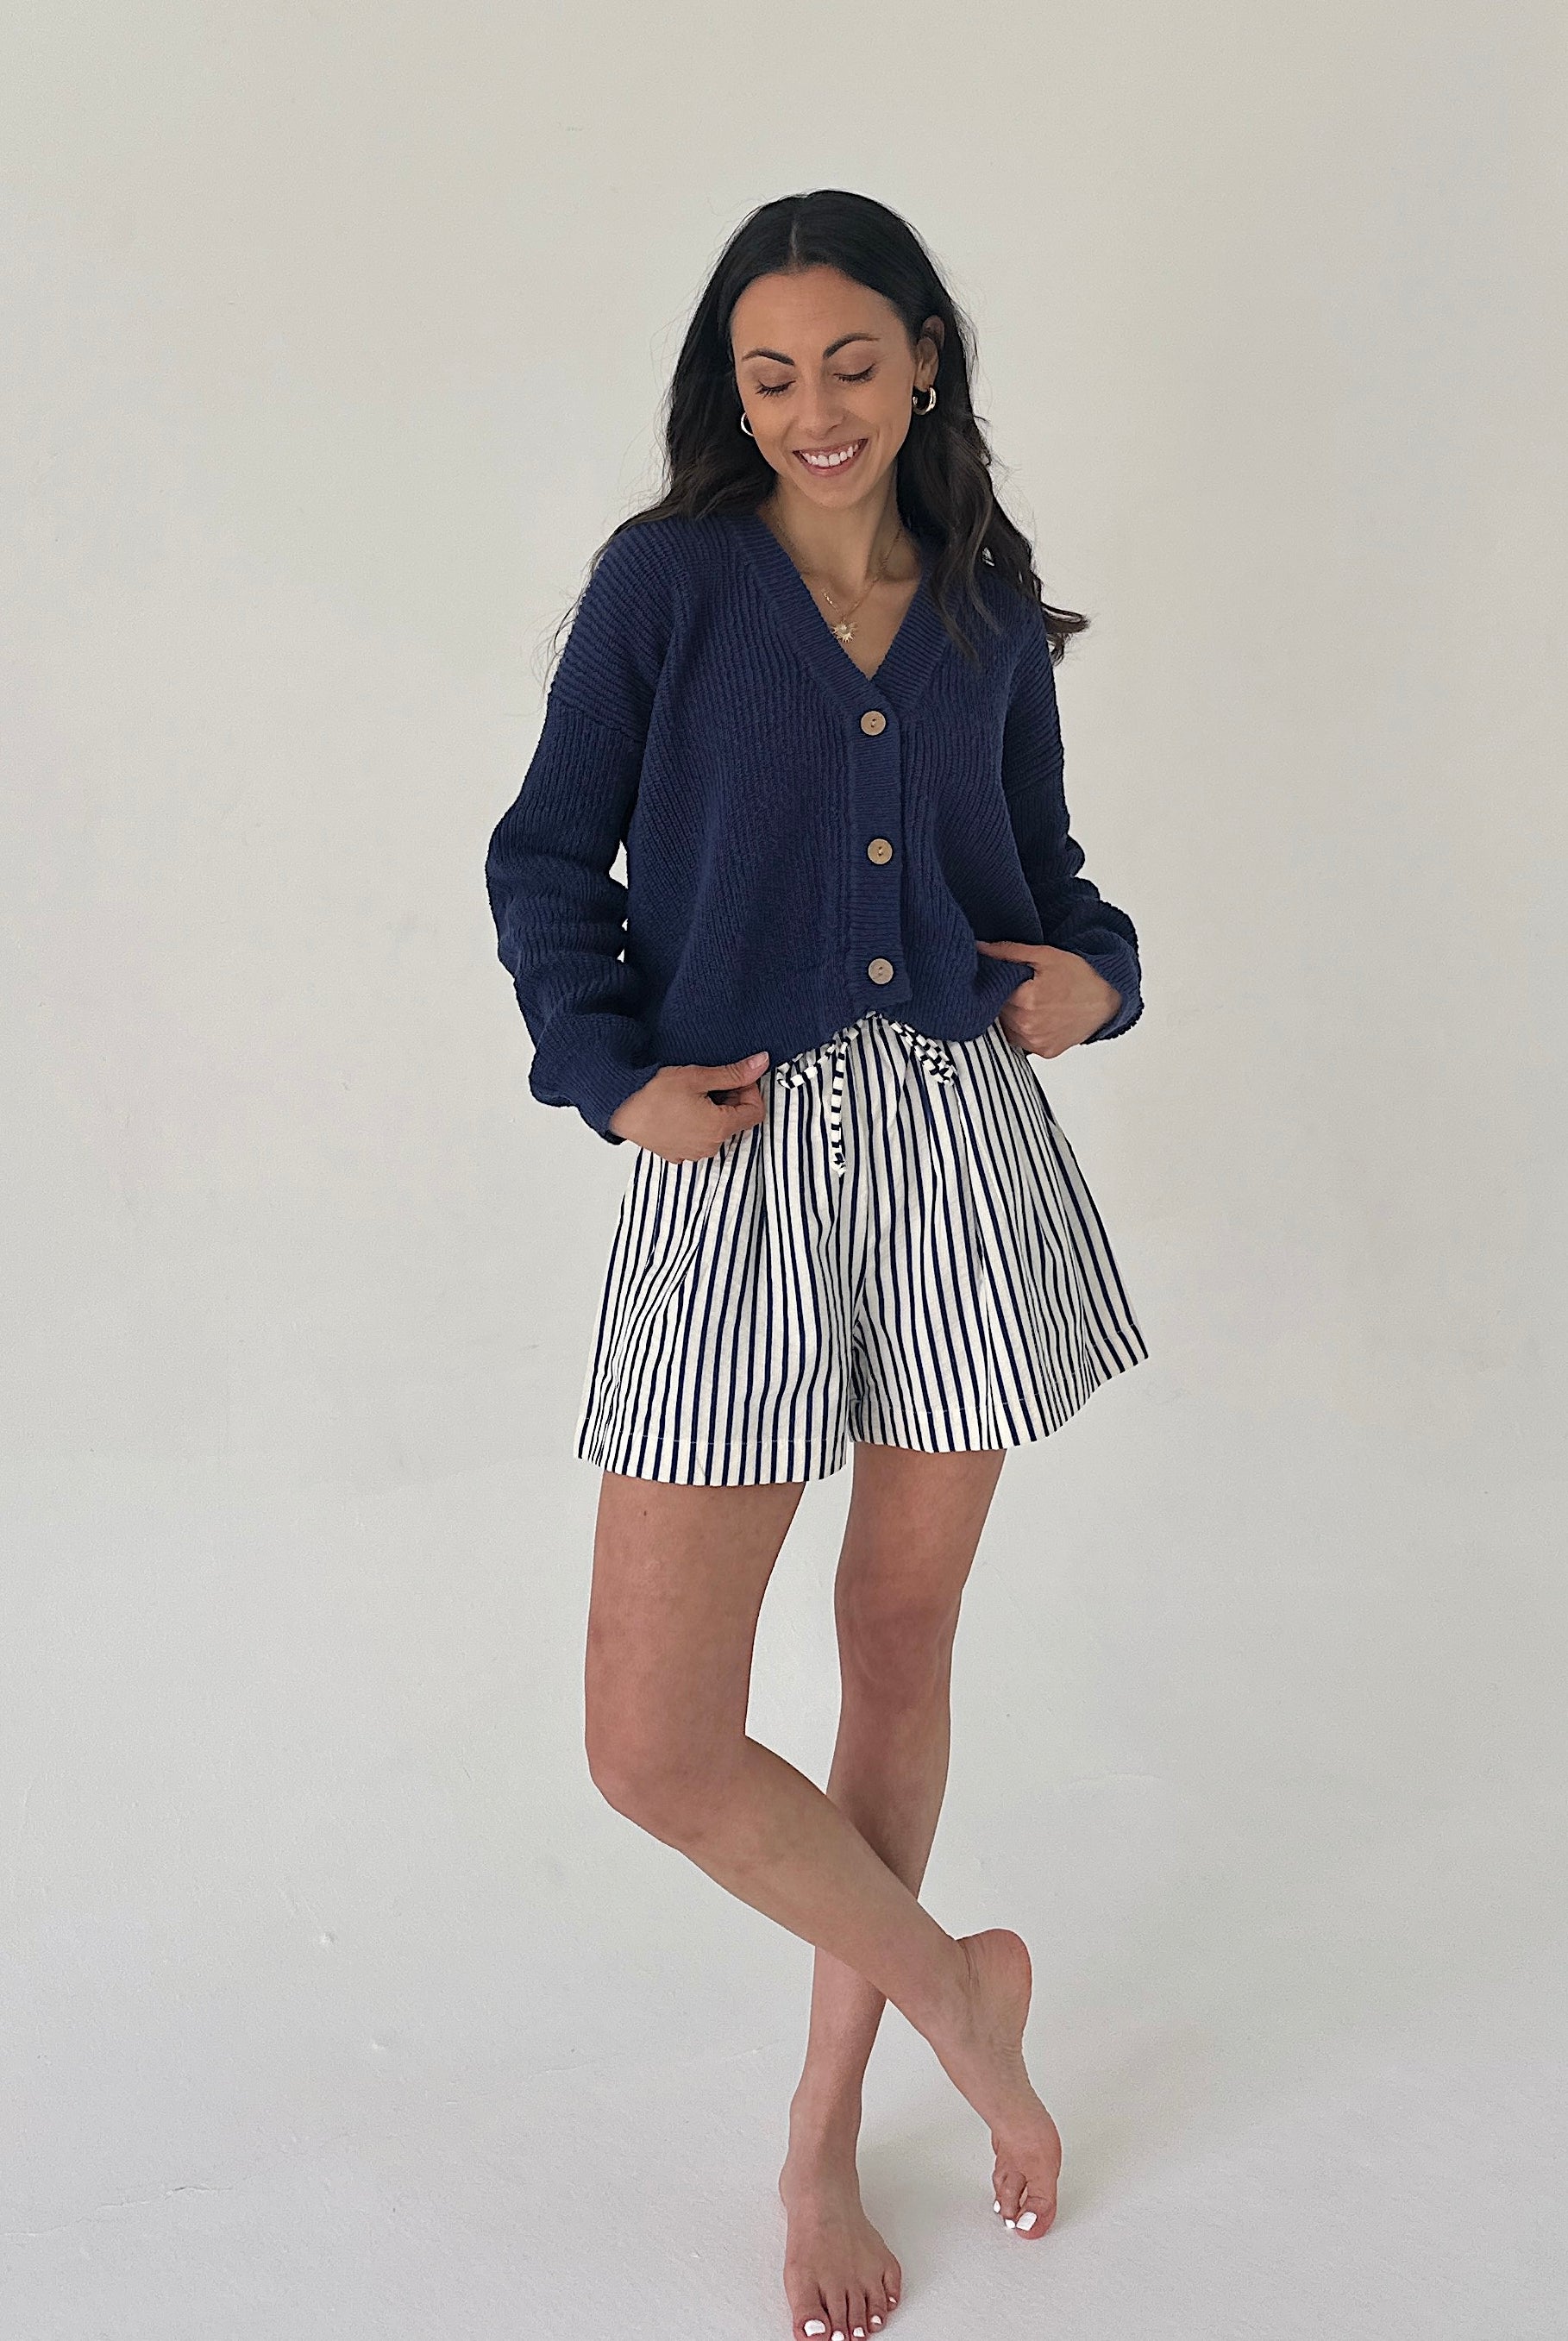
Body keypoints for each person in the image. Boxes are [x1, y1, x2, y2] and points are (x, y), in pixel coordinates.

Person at [485, 187, 1150, 2341]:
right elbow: (541, 851)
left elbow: (1045, 879)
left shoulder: (978, 602)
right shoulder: (668, 583)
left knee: (895, 1642)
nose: (813, 409)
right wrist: (607, 1073)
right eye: (770, 375)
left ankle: (825, 2120)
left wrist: (1098, 985)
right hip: (741, 1156)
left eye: (852, 361)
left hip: (959, 1154)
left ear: (928, 356)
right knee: (654, 1740)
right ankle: (959, 1991)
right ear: (732, 393)